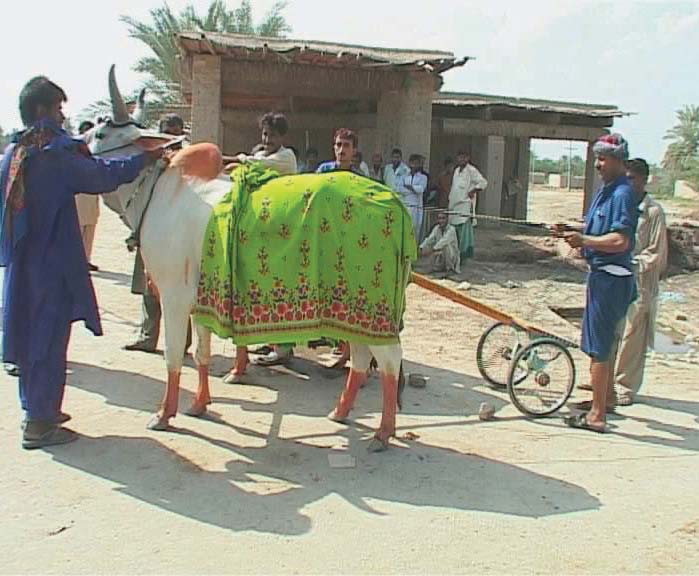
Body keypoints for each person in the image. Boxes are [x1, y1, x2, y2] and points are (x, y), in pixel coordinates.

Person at [0, 76, 161, 448]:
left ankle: (39, 409)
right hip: (51, 263)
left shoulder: (17, 150)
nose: (62, 116)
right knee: (48, 340)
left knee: (30, 337)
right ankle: (39, 423)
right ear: (42, 110)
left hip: (23, 262)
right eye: (58, 108)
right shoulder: (51, 153)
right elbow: (102, 176)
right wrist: (145, 158)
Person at [558, 134, 638, 433]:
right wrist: (572, 231)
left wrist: (585, 240)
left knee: (600, 346)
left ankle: (597, 415)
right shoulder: (605, 192)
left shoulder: (621, 194)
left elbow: (620, 240)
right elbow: (596, 229)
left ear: (618, 160)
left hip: (611, 278)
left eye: (603, 159)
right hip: (600, 275)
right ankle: (605, 398)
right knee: (597, 344)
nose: (598, 165)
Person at [125, 113, 192, 354]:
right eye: (167, 131)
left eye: (175, 130)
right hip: (152, 230)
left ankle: (180, 342)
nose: (171, 136)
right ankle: (147, 335)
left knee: (179, 288)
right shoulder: (151, 159)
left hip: (179, 234)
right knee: (148, 286)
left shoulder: (191, 157)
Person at [613, 158, 668, 406]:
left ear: (644, 180)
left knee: (632, 337)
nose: (627, 184)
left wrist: (633, 263)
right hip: (615, 278)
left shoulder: (653, 212)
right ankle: (604, 381)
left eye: (631, 179)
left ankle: (624, 386)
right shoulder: (620, 205)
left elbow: (656, 253)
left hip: (640, 281)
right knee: (612, 330)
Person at [231, 112, 297, 176]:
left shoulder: (288, 156)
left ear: (282, 137)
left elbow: (259, 163)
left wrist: (224, 159)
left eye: (273, 135)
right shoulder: (260, 154)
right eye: (265, 134)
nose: (267, 140)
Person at [449, 150, 487, 260]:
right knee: (454, 231)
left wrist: (473, 191)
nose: (461, 159)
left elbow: (483, 182)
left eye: (464, 157)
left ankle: (464, 255)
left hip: (465, 205)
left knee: (464, 232)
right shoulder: (456, 170)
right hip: (454, 205)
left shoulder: (472, 170)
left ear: (468, 158)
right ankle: (455, 255)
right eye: (459, 157)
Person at [74, 120, 100, 272]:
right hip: (80, 194)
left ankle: (86, 259)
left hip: (92, 194)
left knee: (90, 229)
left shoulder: (95, 149)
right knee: (79, 229)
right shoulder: (75, 149)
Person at [398, 154, 428, 241]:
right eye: (412, 163)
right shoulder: (404, 176)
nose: (414, 165)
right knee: (404, 228)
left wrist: (410, 187)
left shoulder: (423, 177)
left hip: (416, 206)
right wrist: (412, 189)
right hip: (405, 204)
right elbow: (400, 189)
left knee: (415, 228)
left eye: (416, 163)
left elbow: (420, 189)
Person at [420, 211, 460, 275]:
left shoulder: (452, 229)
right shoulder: (437, 228)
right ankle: (437, 267)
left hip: (452, 257)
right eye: (439, 218)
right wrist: (421, 247)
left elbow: (444, 241)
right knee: (428, 246)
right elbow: (430, 239)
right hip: (440, 255)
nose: (441, 220)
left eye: (443, 218)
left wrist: (432, 250)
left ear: (447, 219)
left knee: (445, 246)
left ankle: (450, 269)